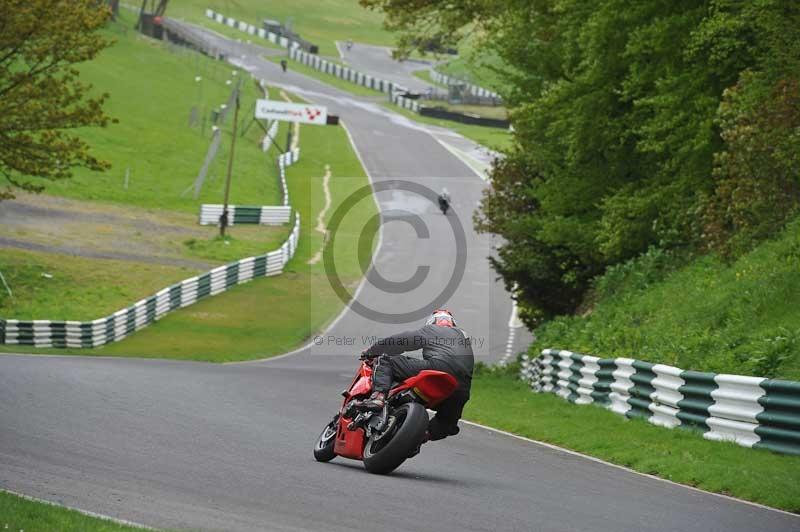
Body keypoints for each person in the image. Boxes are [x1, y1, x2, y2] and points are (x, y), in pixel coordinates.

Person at [359, 309, 474, 441]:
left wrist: (371, 351)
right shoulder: (464, 338)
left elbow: (401, 340)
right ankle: (421, 437)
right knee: (447, 423)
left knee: (386, 361)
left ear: (432, 322)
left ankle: (378, 397)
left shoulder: (432, 329)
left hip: (438, 367)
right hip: (462, 387)